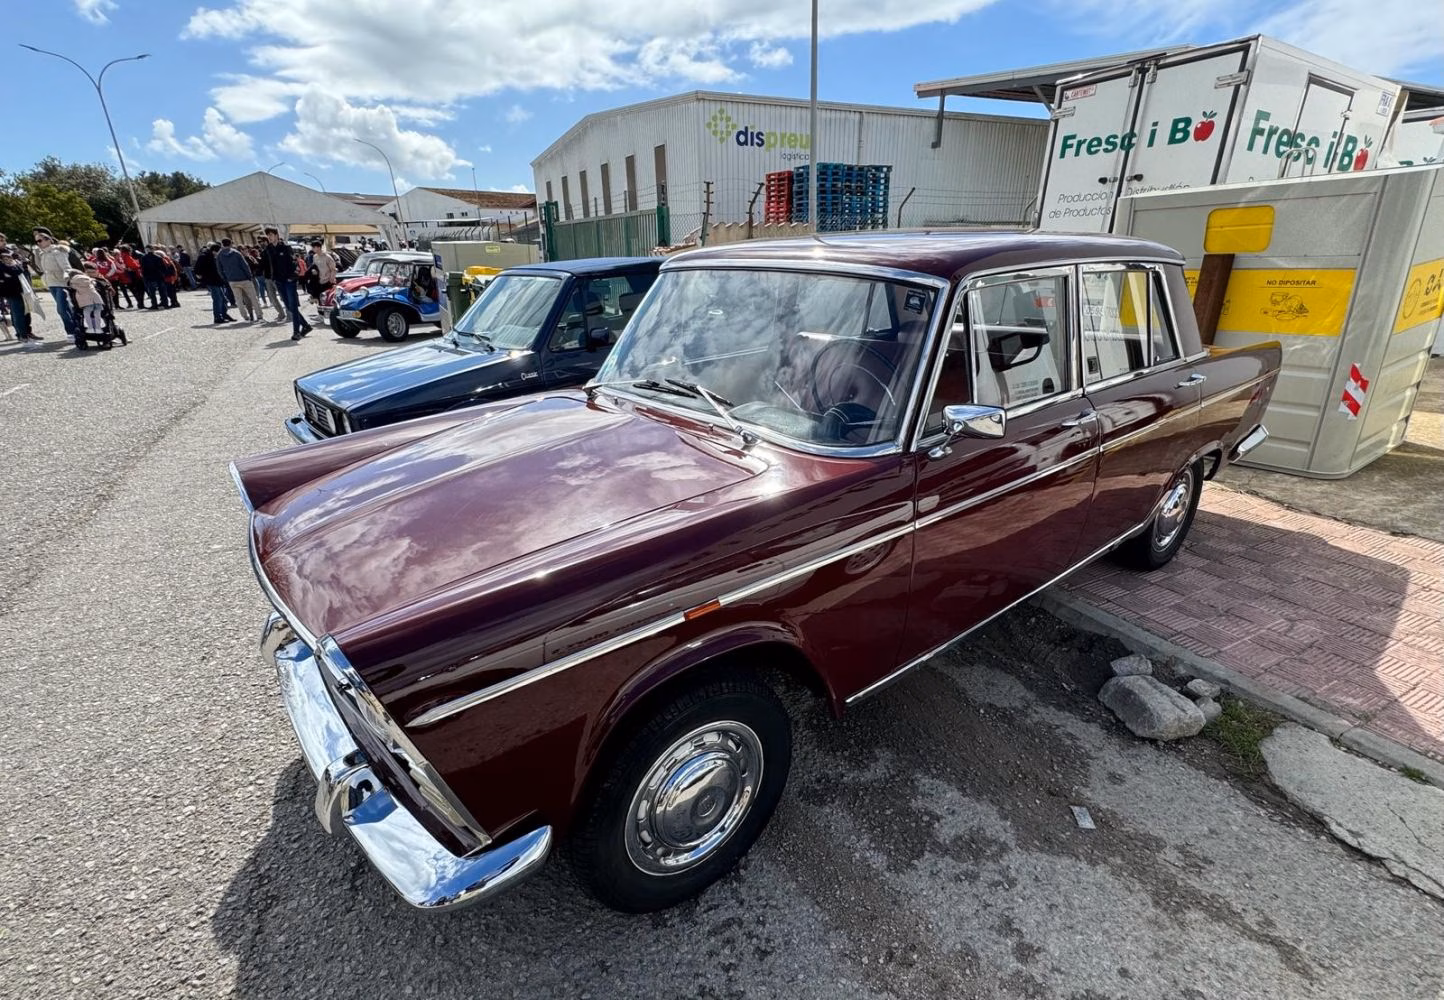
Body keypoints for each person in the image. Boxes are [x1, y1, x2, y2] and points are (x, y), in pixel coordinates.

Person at [261, 226, 311, 340]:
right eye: (268, 235)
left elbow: (294, 263)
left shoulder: (286, 248)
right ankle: (306, 326)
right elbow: (265, 264)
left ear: (277, 236)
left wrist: (292, 277)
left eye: (271, 235)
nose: (270, 237)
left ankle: (296, 332)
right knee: (289, 306)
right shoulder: (267, 250)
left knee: (293, 305)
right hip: (278, 280)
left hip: (289, 280)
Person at [33, 227, 80, 341]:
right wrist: (36, 255)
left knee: (62, 309)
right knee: (66, 309)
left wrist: (66, 277)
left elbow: (66, 267)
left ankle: (72, 331)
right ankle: (76, 329)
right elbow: (39, 267)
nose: (38, 243)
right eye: (37, 241)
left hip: (61, 282)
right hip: (51, 282)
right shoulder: (42, 253)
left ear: (48, 239)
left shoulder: (58, 251)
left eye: (40, 240)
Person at [0, 246, 43, 343]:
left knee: (26, 312)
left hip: (22, 289)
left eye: (9, 258)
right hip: (11, 291)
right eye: (4, 259)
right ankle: (23, 336)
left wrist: (14, 267)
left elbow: (20, 269)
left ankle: (27, 333)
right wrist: (14, 267)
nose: (8, 259)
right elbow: (14, 271)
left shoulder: (11, 254)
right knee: (18, 313)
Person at [217, 238, 260, 321]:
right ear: (230, 244)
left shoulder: (219, 255)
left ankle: (245, 316)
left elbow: (219, 269)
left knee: (239, 300)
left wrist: (225, 278)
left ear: (222, 244)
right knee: (253, 297)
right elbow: (245, 265)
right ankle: (259, 315)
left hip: (232, 280)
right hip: (244, 278)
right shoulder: (236, 253)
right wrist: (249, 276)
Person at [65, 266, 106, 346]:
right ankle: (98, 328)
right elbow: (95, 283)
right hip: (96, 299)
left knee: (87, 313)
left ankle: (90, 328)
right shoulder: (89, 279)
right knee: (97, 313)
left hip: (85, 302)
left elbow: (71, 288)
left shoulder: (73, 282)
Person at [195, 242, 234, 324]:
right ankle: (217, 317)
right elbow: (197, 268)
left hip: (218, 280)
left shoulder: (212, 256)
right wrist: (201, 276)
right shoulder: (204, 256)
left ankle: (224, 314)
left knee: (223, 299)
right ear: (214, 251)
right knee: (217, 299)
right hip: (212, 280)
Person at [307, 238, 337, 319]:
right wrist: (313, 271)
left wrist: (331, 279)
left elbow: (333, 269)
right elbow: (314, 266)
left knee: (327, 299)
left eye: (314, 247)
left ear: (319, 247)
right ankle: (320, 315)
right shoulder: (315, 257)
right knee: (318, 298)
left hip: (327, 281)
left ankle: (330, 315)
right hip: (318, 280)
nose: (312, 249)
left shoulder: (327, 257)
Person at [139, 245, 167, 309]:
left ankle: (154, 305)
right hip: (159, 277)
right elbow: (163, 268)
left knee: (152, 293)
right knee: (162, 291)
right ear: (152, 249)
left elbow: (143, 269)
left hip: (150, 277)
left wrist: (145, 277)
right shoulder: (158, 257)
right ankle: (165, 304)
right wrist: (163, 275)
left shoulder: (144, 258)